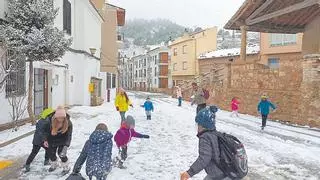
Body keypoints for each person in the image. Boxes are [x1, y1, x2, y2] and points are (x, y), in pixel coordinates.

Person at [181, 106, 229, 180]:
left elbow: (204, 158)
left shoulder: (205, 137)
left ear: (202, 125)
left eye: (198, 124)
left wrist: (189, 173)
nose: (197, 127)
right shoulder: (215, 133)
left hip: (217, 174)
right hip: (224, 170)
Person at [38, 106, 73, 174]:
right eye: (59, 117)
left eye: (62, 117)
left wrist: (66, 145)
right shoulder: (49, 121)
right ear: (56, 116)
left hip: (63, 139)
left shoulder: (68, 122)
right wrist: (45, 140)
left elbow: (69, 135)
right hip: (52, 139)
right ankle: (54, 164)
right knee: (51, 153)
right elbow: (44, 131)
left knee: (61, 154)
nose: (61, 119)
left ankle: (66, 166)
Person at [24, 108, 55, 172]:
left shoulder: (46, 120)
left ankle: (46, 161)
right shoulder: (45, 121)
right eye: (52, 114)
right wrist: (44, 140)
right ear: (49, 115)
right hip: (39, 140)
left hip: (41, 139)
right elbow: (40, 132)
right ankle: (27, 164)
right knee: (35, 152)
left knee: (48, 149)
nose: (53, 115)